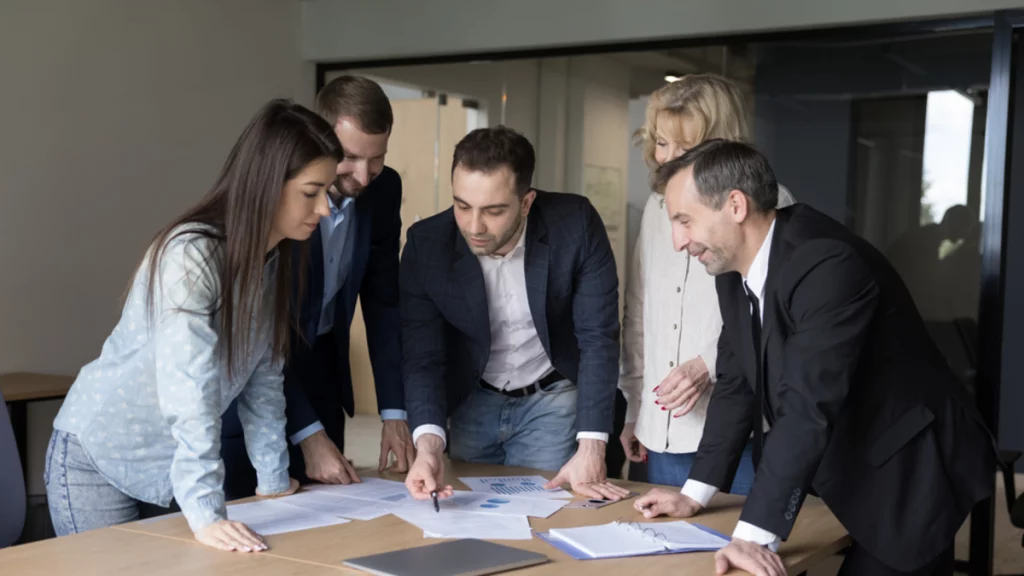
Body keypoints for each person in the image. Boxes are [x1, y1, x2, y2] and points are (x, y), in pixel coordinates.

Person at [634, 139, 996, 576]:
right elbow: (736, 384)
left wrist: (751, 536)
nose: (677, 242)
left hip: (912, 463)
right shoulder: (732, 272)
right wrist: (695, 493)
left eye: (684, 220)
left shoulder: (825, 262)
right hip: (855, 456)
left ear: (734, 205)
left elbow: (807, 404)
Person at [45, 100, 344, 552]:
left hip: (164, 470)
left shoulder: (271, 262)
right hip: (98, 461)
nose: (324, 208)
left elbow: (262, 382)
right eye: (311, 191)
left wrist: (274, 485)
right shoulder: (190, 255)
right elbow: (191, 392)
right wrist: (205, 512)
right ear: (267, 185)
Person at [400, 126, 630, 502]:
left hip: (551, 396)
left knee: (542, 511)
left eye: (493, 211)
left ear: (526, 203)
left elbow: (598, 338)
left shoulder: (574, 225)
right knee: (470, 516)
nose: (474, 227)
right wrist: (428, 446)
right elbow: (422, 356)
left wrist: (591, 448)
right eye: (462, 206)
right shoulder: (427, 244)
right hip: (472, 397)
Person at [221, 76, 412, 498]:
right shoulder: (279, 195)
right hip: (258, 367)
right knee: (249, 514)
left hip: (323, 364)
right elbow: (258, 336)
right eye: (349, 157)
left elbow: (383, 302)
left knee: (325, 508)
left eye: (376, 158)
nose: (364, 175)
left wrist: (394, 412)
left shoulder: (384, 190)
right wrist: (308, 435)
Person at [619, 74, 795, 490]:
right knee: (672, 550)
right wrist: (634, 407)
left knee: (736, 549)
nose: (669, 158)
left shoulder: (770, 204)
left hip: (741, 433)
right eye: (662, 143)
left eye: (687, 147)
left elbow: (773, 317)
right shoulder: (655, 207)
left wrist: (708, 364)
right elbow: (640, 307)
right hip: (663, 432)